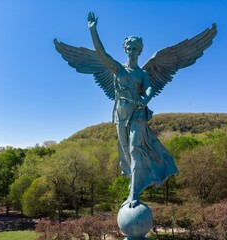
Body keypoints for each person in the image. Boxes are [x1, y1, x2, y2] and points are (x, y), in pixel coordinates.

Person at [88, 12, 178, 207]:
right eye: (129, 47)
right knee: (126, 155)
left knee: (134, 150)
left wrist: (146, 99)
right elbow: (101, 54)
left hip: (137, 114)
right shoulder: (118, 69)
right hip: (120, 114)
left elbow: (149, 89)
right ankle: (134, 186)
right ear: (125, 48)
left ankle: (134, 194)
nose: (132, 50)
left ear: (140, 50)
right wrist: (93, 30)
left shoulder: (143, 73)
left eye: (135, 48)